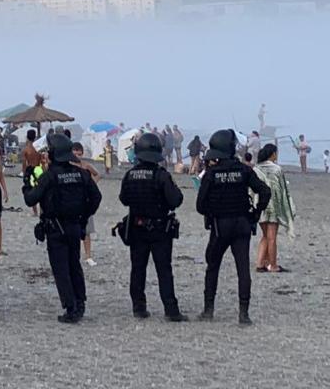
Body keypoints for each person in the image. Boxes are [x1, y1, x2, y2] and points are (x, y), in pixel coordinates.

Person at [195, 129, 271, 325]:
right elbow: (264, 191)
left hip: (221, 225)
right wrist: (255, 213)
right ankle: (243, 314)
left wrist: (212, 211)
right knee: (242, 269)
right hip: (242, 224)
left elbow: (200, 205)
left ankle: (208, 310)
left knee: (213, 266)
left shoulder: (211, 174)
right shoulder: (244, 170)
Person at [24, 133, 102, 324]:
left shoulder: (49, 176)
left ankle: (70, 307)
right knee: (74, 264)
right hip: (75, 225)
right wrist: (84, 216)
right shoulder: (81, 174)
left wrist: (26, 184)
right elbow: (96, 197)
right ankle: (80, 302)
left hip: (55, 227)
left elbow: (30, 200)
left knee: (61, 268)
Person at [118, 133, 187, 321]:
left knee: (138, 269)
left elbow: (123, 199)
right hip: (159, 229)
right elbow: (176, 200)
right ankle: (171, 310)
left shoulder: (130, 175)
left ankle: (138, 307)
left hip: (136, 227)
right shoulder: (161, 175)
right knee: (164, 270)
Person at [254, 143, 295, 273]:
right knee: (272, 237)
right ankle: (273, 265)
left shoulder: (256, 168)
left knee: (265, 236)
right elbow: (283, 190)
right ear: (272, 154)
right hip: (272, 206)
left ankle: (261, 263)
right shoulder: (277, 169)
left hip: (259, 205)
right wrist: (288, 209)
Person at [71, 142, 101, 266]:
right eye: (75, 153)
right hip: (72, 200)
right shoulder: (68, 166)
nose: (78, 155)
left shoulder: (85, 165)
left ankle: (88, 255)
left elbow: (98, 174)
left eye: (79, 153)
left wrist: (91, 185)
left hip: (85, 202)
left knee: (87, 230)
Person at [21, 129, 42, 216]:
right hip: (38, 169)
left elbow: (24, 163)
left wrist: (24, 173)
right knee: (41, 189)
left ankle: (35, 212)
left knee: (32, 190)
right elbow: (42, 160)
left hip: (30, 169)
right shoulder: (38, 148)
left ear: (27, 137)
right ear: (35, 136)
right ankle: (41, 211)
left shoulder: (26, 149)